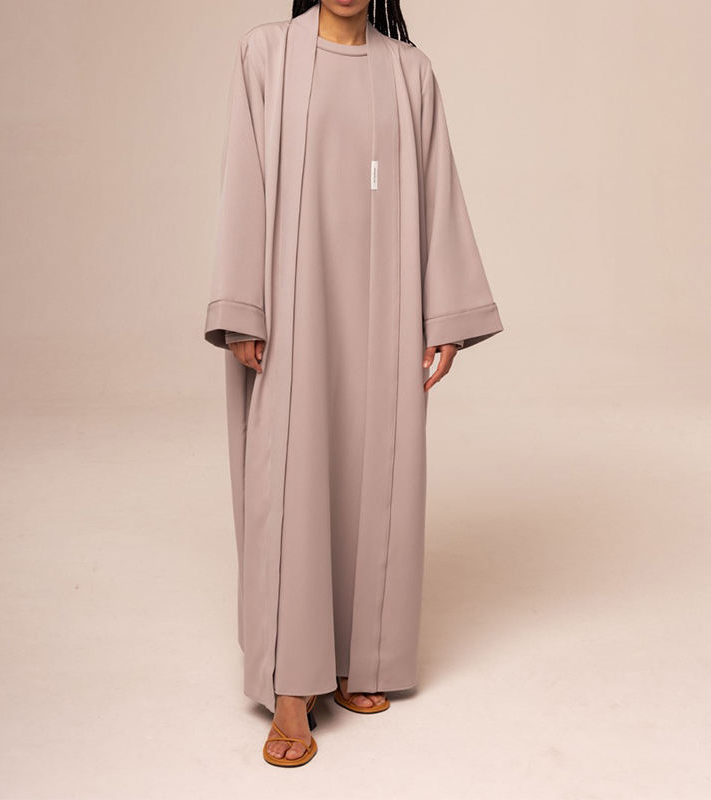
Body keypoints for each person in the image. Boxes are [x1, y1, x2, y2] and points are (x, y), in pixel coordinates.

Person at [204, 0, 504, 767]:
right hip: (293, 302)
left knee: (375, 469)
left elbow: (437, 191)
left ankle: (358, 656)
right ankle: (291, 684)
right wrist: (244, 305)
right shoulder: (267, 54)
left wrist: (444, 315)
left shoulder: (410, 71)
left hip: (383, 307)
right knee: (293, 476)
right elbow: (245, 178)